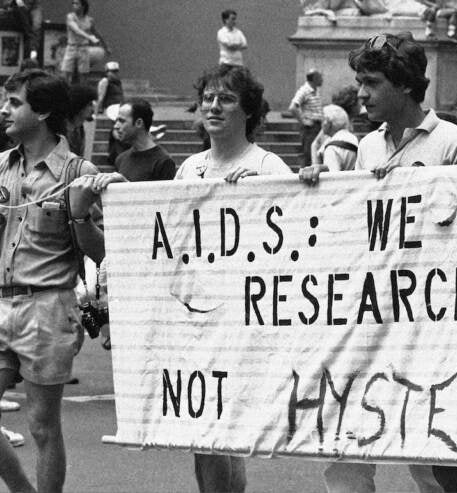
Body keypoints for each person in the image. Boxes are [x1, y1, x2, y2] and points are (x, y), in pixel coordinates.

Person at [89, 64, 291, 493]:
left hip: (244, 319)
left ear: (248, 111)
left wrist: (261, 195)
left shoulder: (269, 166)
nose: (214, 106)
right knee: (203, 436)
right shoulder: (191, 169)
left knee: (225, 434)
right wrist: (129, 197)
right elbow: (172, 233)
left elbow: (292, 245)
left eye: (227, 99)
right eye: (209, 98)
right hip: (195, 317)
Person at [311, 32, 457, 492]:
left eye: (371, 82)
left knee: (427, 452)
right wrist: (318, 187)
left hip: (429, 321)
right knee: (346, 441)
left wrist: (412, 193)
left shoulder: (455, 142)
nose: (360, 93)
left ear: (405, 84)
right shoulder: (367, 147)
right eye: (359, 82)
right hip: (371, 315)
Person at [0, 68, 104, 493]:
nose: (4, 110)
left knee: (42, 426)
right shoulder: (1, 167)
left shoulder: (78, 172)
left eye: (14, 102)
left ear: (41, 112)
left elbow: (100, 251)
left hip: (48, 307)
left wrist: (79, 211)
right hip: (0, 302)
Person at [109, 99, 177, 182]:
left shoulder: (164, 162)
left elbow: (164, 194)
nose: (116, 126)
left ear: (139, 123)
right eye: (116, 121)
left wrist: (126, 184)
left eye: (122, 121)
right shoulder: (121, 159)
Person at [61, 0, 104, 83]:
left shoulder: (89, 20)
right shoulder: (70, 17)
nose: (74, 5)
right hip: (71, 48)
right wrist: (89, 37)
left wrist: (105, 46)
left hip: (83, 49)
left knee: (83, 75)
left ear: (83, 6)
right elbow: (76, 30)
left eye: (77, 3)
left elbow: (96, 33)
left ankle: (83, 93)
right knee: (66, 73)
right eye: (73, 3)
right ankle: (65, 93)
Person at [289, 69, 324, 167]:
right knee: (309, 154)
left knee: (316, 153)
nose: (322, 80)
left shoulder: (315, 90)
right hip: (310, 128)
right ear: (314, 78)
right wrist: (303, 121)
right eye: (320, 77)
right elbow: (292, 107)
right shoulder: (304, 90)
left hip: (317, 126)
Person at [308, 104, 358, 171]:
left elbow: (331, 178)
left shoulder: (332, 148)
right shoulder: (353, 138)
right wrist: (314, 145)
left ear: (328, 123)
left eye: (322, 120)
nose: (321, 124)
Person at [66, 84, 96, 156]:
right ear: (80, 106)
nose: (93, 109)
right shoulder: (64, 131)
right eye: (90, 104)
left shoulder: (79, 128)